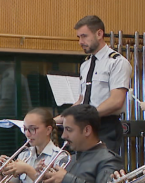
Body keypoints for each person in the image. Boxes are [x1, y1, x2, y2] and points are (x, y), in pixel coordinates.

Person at [55, 15, 132, 154]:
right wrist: (58, 119)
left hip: (106, 126)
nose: (80, 41)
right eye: (78, 37)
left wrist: (86, 116)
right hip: (83, 127)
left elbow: (116, 101)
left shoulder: (116, 62)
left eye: (84, 36)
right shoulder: (85, 65)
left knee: (99, 169)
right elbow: (81, 101)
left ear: (99, 34)